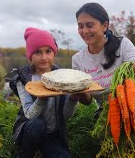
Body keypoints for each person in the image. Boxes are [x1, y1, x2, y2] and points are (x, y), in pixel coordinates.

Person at [5, 27, 91, 158]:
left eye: (48, 51)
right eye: (38, 52)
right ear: (30, 55)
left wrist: (73, 99)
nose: (44, 57)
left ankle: (48, 148)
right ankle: (26, 153)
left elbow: (65, 116)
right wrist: (42, 97)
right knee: (37, 124)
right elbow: (29, 114)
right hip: (30, 130)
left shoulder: (63, 77)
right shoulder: (23, 78)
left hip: (52, 133)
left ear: (54, 53)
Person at [72, 2, 135, 119]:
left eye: (89, 25)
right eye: (80, 26)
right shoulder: (78, 60)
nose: (84, 31)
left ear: (104, 25)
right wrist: (78, 91)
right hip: (105, 114)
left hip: (132, 108)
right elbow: (87, 101)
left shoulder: (123, 45)